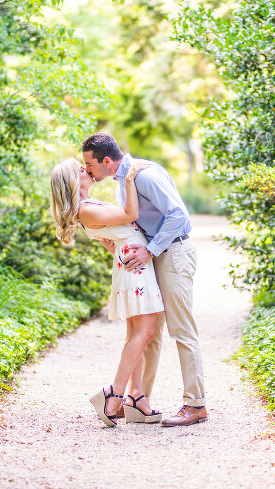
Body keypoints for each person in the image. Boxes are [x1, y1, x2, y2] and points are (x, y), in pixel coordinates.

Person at [81, 133, 207, 427]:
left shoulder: (144, 176)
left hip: (173, 251)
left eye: (89, 164)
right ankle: (138, 400)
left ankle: (195, 404)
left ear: (106, 161)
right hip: (155, 256)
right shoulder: (123, 183)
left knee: (182, 330)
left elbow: (178, 215)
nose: (87, 170)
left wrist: (149, 250)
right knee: (151, 333)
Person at [50, 157, 163, 427]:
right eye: (81, 169)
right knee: (145, 332)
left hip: (131, 263)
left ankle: (135, 399)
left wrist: (112, 242)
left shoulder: (89, 206)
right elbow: (130, 215)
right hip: (134, 269)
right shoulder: (85, 209)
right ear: (72, 180)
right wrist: (128, 179)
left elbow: (112, 232)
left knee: (136, 335)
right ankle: (113, 394)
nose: (87, 170)